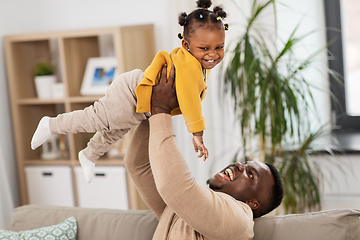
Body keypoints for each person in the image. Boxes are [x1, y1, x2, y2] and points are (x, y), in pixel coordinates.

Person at [30, 0, 229, 183]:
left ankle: (89, 154)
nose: (213, 54)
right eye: (204, 48)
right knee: (96, 119)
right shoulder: (189, 65)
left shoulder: (198, 63)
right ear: (186, 45)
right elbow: (189, 98)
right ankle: (51, 124)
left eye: (219, 47)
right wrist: (197, 134)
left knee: (116, 130)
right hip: (130, 92)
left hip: (142, 103)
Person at [124, 64, 284, 239]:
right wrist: (153, 107)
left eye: (251, 174)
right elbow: (138, 165)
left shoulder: (239, 220)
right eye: (244, 163)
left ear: (252, 203)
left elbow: (174, 187)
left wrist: (161, 109)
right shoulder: (189, 205)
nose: (239, 165)